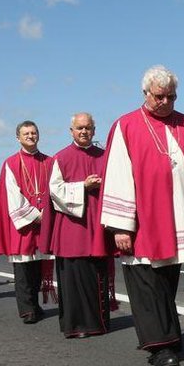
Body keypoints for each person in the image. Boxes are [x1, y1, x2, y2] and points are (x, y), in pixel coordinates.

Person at [101, 65, 184, 366]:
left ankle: (168, 336)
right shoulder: (126, 126)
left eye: (171, 96)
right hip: (144, 223)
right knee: (147, 283)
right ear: (146, 93)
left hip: (180, 219)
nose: (166, 102)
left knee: (166, 282)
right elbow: (118, 174)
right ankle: (160, 345)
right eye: (159, 96)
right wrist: (121, 226)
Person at [49, 113, 114, 338]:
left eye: (88, 128)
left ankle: (99, 322)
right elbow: (55, 191)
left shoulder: (106, 156)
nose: (84, 132)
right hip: (73, 226)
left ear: (94, 130)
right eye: (79, 128)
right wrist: (83, 187)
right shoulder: (61, 157)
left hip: (98, 225)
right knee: (73, 278)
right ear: (71, 131)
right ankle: (75, 326)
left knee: (98, 275)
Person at [0, 120, 55, 324]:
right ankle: (27, 309)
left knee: (38, 266)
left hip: (45, 222)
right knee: (23, 270)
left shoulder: (49, 161)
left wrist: (47, 213)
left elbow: (56, 189)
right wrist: (36, 215)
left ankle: (35, 303)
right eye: (26, 133)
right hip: (24, 224)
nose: (30, 136)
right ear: (18, 138)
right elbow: (12, 195)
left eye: (33, 132)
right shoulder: (11, 163)